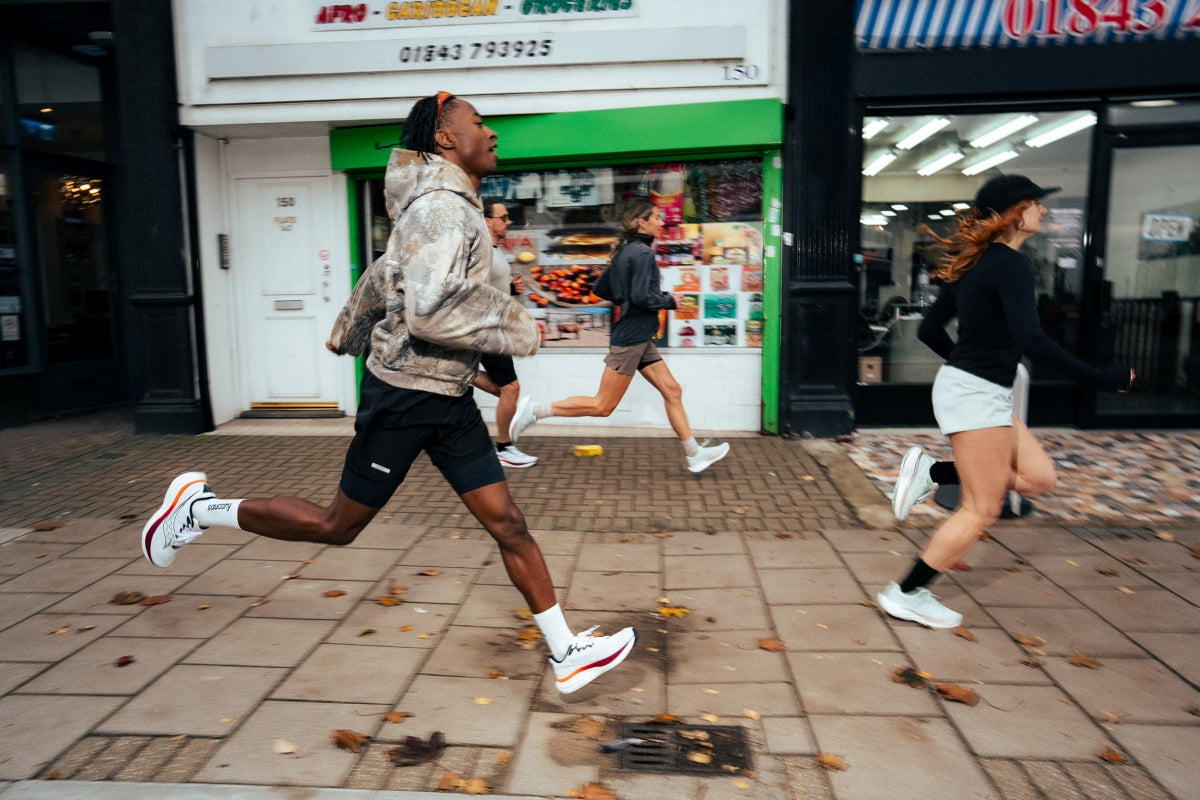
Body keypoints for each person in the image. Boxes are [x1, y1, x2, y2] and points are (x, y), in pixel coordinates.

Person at [141, 92, 635, 694]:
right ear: (446, 139)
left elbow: (385, 272)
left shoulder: (449, 207)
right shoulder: (442, 210)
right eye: (479, 123)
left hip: (447, 395)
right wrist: (519, 325)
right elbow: (428, 308)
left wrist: (351, 325)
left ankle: (567, 652)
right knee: (337, 526)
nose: (493, 132)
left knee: (508, 522)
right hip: (404, 396)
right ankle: (196, 509)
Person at [877, 174, 1133, 629]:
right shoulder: (1010, 265)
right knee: (982, 507)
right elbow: (1030, 337)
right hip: (975, 395)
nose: (1044, 211)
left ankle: (933, 472)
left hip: (978, 390)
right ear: (1015, 212)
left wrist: (967, 365)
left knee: (1039, 478)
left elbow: (928, 331)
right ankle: (907, 593)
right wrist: (1098, 378)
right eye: (1036, 203)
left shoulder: (975, 264)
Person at [507, 200, 730, 474]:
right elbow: (642, 297)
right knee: (602, 406)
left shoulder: (626, 252)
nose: (662, 222)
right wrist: (670, 299)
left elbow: (601, 288)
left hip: (639, 336)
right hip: (631, 338)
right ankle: (535, 412)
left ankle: (694, 453)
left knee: (672, 390)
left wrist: (625, 302)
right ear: (642, 223)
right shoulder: (643, 255)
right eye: (657, 217)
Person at [472, 197, 537, 468]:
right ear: (487, 220)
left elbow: (494, 290)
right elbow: (473, 291)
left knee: (506, 391)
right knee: (511, 388)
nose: (508, 222)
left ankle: (456, 373)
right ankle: (504, 448)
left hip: (494, 328)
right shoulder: (481, 251)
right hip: (486, 330)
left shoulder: (495, 251)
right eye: (504, 217)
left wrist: (512, 290)